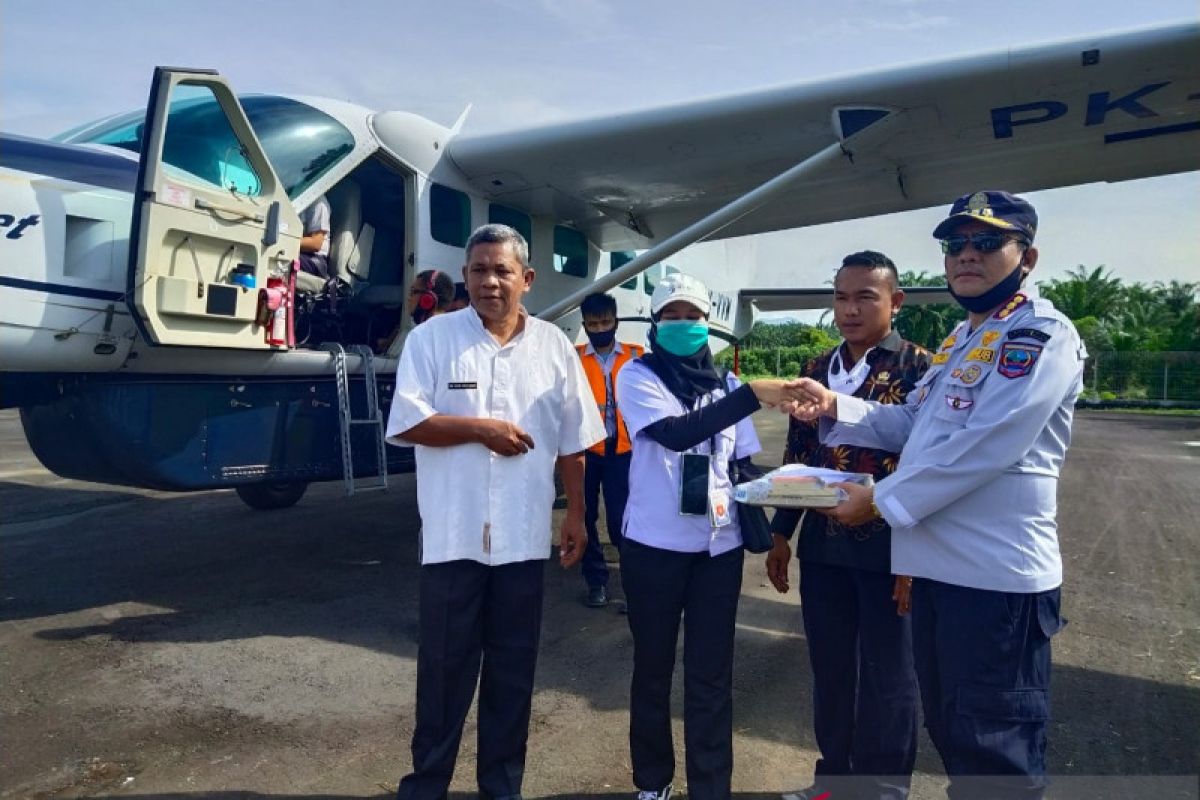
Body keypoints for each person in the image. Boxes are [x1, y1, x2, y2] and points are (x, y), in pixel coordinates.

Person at [787, 191, 1085, 800]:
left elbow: (986, 445)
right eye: (955, 245)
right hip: (940, 572)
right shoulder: (963, 340)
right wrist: (835, 403)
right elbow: (911, 425)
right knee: (955, 736)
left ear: (1026, 256)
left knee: (995, 753)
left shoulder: (1039, 334)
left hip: (995, 580)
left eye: (985, 243)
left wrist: (878, 500)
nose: (966, 256)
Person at [385, 223, 605, 800]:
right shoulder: (432, 340)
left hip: (522, 541)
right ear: (465, 276)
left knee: (513, 674)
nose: (489, 281)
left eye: (502, 271)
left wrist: (577, 514)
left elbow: (574, 439)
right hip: (453, 541)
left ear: (526, 279)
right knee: (443, 674)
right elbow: (406, 423)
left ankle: (501, 788)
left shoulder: (555, 347)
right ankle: (425, 785)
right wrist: (478, 428)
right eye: (479, 270)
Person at [616, 272, 805, 800]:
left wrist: (789, 495)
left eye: (692, 316)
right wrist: (751, 394)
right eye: (671, 316)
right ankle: (653, 782)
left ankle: (710, 787)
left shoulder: (722, 385)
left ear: (709, 325)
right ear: (655, 323)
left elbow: (740, 464)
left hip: (716, 550)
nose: (683, 325)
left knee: (711, 675)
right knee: (652, 669)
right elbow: (675, 436)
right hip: (654, 547)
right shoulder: (637, 376)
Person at [767, 251, 929, 800]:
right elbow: (797, 453)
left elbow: (928, 465)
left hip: (891, 548)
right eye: (841, 297)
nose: (851, 309)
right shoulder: (815, 370)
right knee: (832, 670)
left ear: (895, 302)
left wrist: (917, 556)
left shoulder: (918, 369)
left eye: (866, 297)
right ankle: (833, 781)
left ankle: (884, 789)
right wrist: (781, 535)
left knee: (890, 677)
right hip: (824, 548)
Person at [575, 291, 644, 608]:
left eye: (606, 322)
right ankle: (596, 582)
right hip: (586, 453)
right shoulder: (574, 358)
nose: (600, 328)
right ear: (585, 324)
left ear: (616, 321)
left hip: (624, 452)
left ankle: (633, 586)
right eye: (593, 323)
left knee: (622, 521)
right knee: (585, 518)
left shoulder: (636, 355)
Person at [297, 193, 332, 293]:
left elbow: (315, 243)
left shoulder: (319, 203)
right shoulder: (295, 197)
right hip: (299, 253)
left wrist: (285, 242)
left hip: (314, 259)